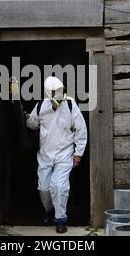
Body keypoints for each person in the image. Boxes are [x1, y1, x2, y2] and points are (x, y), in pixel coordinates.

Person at [26, 76, 88, 234]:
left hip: (64, 154)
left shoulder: (70, 103)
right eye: (54, 94)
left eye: (59, 93)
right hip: (45, 154)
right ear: (48, 93)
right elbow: (34, 124)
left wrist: (78, 153)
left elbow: (81, 129)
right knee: (44, 188)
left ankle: (61, 219)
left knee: (59, 186)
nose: (57, 98)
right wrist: (27, 118)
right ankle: (49, 210)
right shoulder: (41, 105)